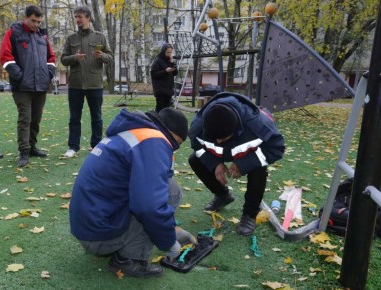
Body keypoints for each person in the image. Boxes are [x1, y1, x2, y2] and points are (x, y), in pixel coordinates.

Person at [69, 108, 196, 277]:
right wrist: (168, 242)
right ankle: (128, 260)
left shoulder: (133, 131)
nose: (174, 149)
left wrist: (173, 229)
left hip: (90, 225)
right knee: (170, 192)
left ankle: (122, 245)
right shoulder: (155, 139)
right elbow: (149, 207)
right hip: (98, 235)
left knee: (166, 187)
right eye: (177, 144)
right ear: (170, 133)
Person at [188, 92, 285, 236]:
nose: (218, 142)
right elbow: (197, 147)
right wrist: (214, 164)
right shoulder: (198, 125)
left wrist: (244, 164)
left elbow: (276, 148)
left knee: (258, 169)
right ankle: (222, 196)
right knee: (194, 160)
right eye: (214, 138)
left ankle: (249, 214)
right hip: (218, 155)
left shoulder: (258, 124)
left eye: (223, 137)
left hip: (248, 153)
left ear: (236, 128)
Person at [0, 5, 56, 167]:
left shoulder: (42, 37)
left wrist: (48, 75)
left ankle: (32, 147)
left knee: (36, 119)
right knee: (25, 118)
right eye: (33, 21)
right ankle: (24, 152)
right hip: (22, 87)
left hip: (41, 85)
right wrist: (20, 76)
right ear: (26, 17)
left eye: (39, 21)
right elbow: (5, 57)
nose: (37, 24)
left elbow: (51, 58)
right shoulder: (13, 33)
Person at [61, 5, 113, 158]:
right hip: (76, 85)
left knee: (96, 116)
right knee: (74, 117)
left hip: (94, 84)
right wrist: (74, 58)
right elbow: (63, 59)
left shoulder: (100, 37)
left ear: (88, 18)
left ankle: (96, 145)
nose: (77, 20)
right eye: (76, 17)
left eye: (80, 17)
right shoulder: (71, 39)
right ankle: (73, 147)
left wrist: (101, 56)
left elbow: (110, 58)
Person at [150, 43, 177, 112]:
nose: (169, 54)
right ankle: (157, 121)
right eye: (167, 52)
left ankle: (165, 122)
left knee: (166, 109)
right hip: (160, 90)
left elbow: (175, 73)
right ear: (163, 51)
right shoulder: (157, 60)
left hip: (168, 90)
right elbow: (153, 74)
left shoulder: (170, 60)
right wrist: (165, 71)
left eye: (170, 52)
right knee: (160, 108)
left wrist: (172, 63)